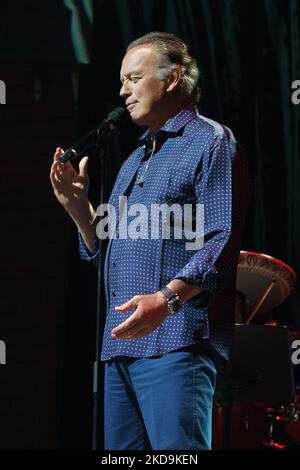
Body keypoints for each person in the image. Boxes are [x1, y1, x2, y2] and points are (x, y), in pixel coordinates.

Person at [50, 31, 249, 450]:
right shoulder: (134, 158)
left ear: (173, 77)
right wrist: (77, 206)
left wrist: (168, 300)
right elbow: (105, 249)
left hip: (177, 342)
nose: (122, 90)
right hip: (119, 347)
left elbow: (221, 240)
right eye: (123, 80)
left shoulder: (210, 141)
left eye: (134, 78)